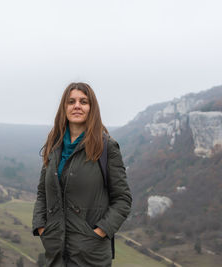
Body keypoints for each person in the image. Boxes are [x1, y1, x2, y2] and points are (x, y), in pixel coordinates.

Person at [32, 82, 132, 267]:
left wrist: (97, 233)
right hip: (55, 254)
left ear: (91, 108)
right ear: (64, 108)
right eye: (71, 101)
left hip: (90, 256)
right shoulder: (53, 147)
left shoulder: (106, 147)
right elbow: (42, 194)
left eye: (83, 101)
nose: (77, 106)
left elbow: (123, 199)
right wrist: (42, 229)